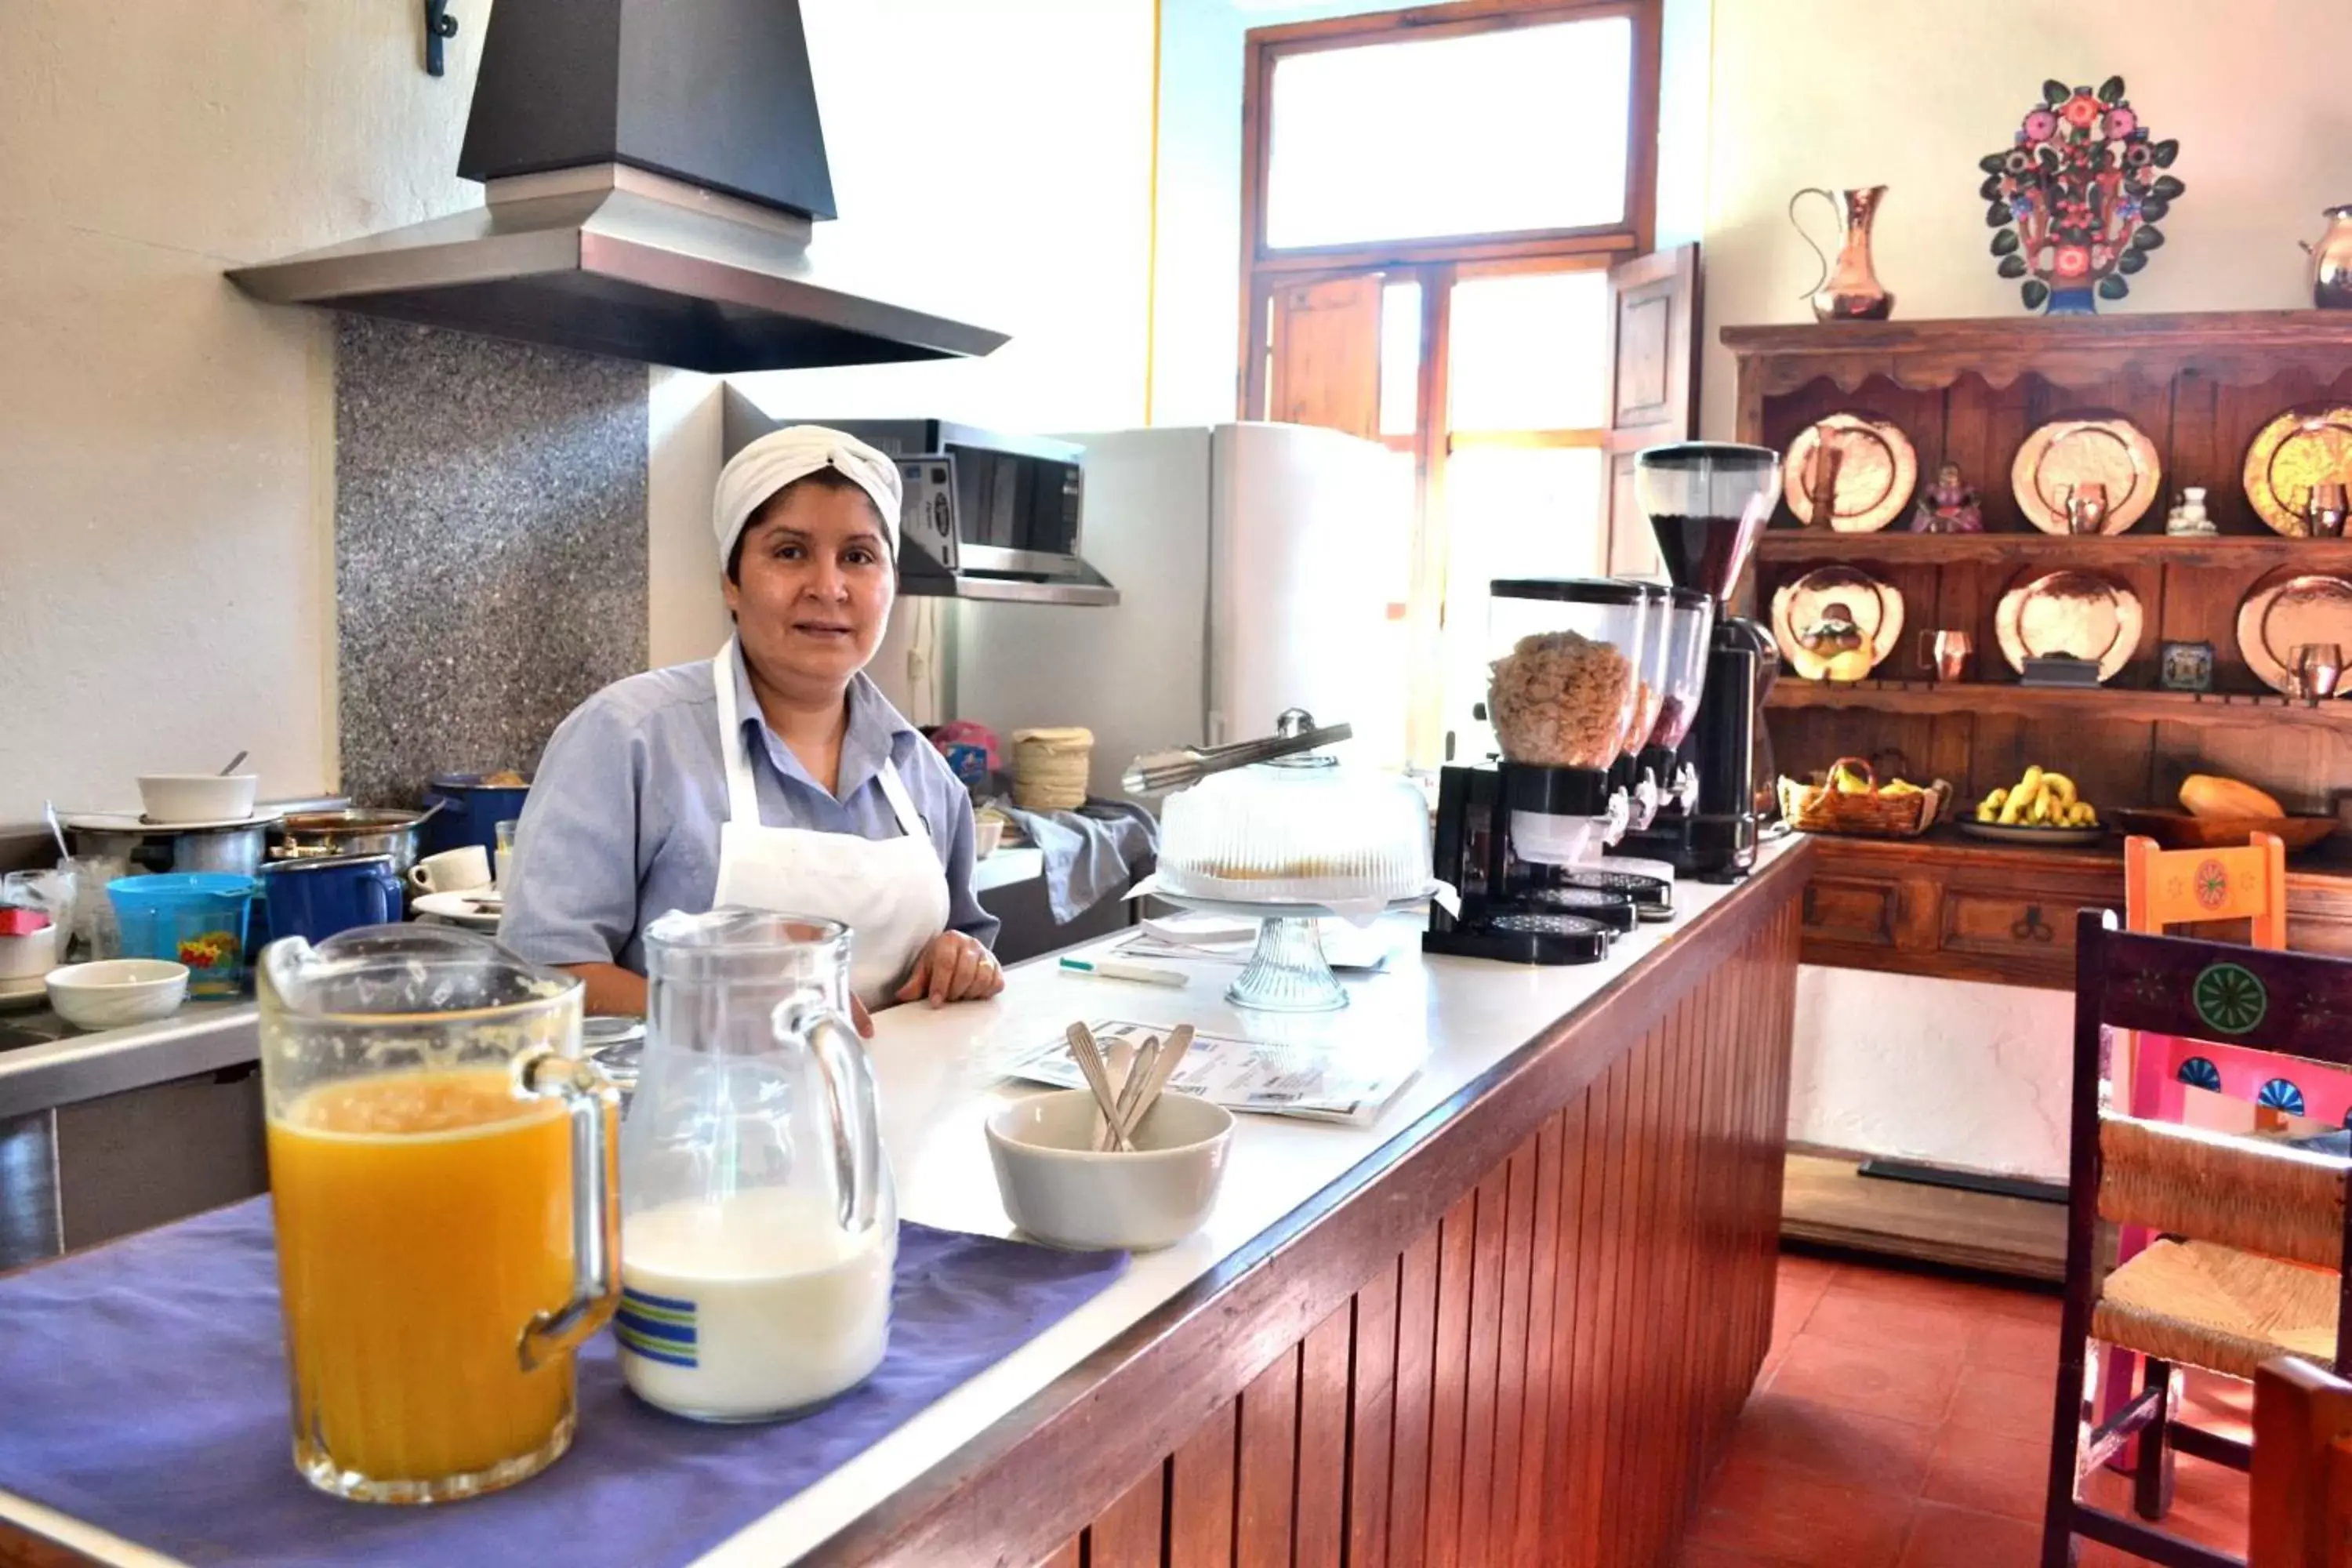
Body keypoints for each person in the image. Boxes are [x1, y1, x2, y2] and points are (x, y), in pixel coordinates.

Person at [499, 425, 1004, 1033]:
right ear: (731, 581)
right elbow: (541, 977)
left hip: (893, 1117)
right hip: (693, 1116)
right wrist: (724, 1010)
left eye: (859, 556)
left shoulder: (920, 771)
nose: (828, 587)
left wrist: (962, 959)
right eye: (790, 552)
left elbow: (961, 944)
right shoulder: (629, 737)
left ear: (890, 584)